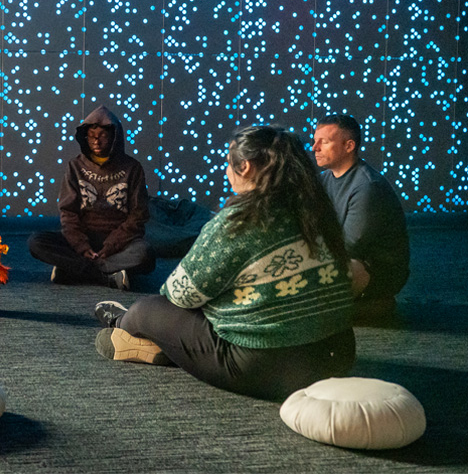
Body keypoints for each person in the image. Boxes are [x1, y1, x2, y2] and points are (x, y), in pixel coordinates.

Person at [92, 126, 355, 400]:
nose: (226, 172)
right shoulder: (319, 212)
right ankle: (159, 345)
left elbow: (179, 295)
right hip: (337, 356)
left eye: (229, 164)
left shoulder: (238, 221)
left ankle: (122, 325)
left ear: (247, 167)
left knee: (148, 309)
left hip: (267, 366)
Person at [28, 106, 155, 291]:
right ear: (84, 137)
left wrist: (111, 245)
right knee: (36, 242)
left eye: (102, 135)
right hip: (82, 238)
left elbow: (138, 216)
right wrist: (81, 246)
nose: (96, 140)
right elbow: (68, 212)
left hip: (119, 242)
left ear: (114, 137)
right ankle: (109, 276)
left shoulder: (132, 168)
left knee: (146, 255)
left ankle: (73, 270)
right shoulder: (75, 166)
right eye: (91, 135)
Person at [313, 114, 409, 319]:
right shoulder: (324, 180)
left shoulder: (368, 187)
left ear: (349, 146)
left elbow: (350, 246)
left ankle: (374, 303)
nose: (315, 148)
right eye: (315, 142)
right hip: (345, 258)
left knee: (321, 272)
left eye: (325, 142)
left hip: (376, 271)